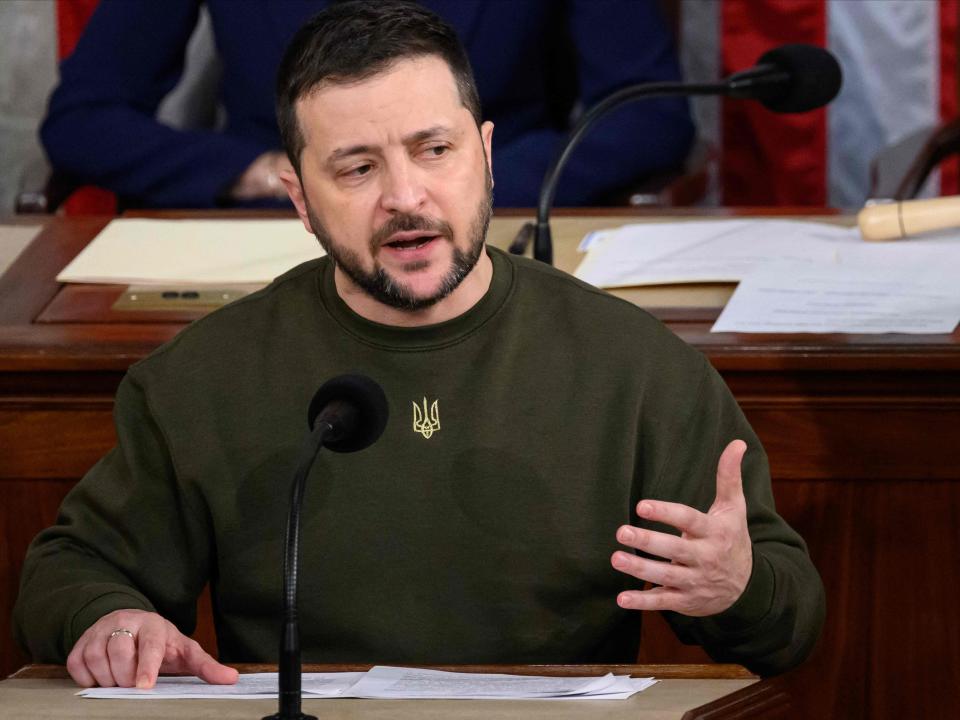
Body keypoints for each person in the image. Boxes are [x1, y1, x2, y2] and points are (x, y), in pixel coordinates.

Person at [15, 0, 823, 690]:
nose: (407, 198)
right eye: (357, 169)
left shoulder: (635, 369)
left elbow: (788, 623)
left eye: (435, 151)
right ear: (299, 198)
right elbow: (69, 570)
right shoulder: (203, 377)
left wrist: (735, 585)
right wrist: (111, 618)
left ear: (487, 155)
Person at [41, 0, 693, 209]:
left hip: (497, 225)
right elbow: (83, 118)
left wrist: (455, 176)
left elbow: (649, 116)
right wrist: (266, 173)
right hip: (277, 234)